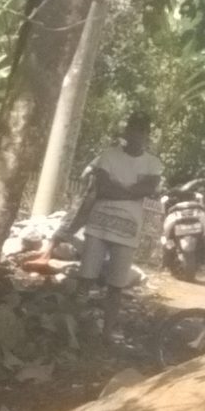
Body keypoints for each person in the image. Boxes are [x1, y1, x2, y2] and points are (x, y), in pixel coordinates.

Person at [71, 111, 162, 289]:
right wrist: (133, 191)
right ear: (127, 131)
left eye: (142, 131)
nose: (137, 135)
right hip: (98, 227)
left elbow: (148, 188)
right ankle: (78, 315)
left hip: (127, 232)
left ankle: (108, 318)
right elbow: (102, 187)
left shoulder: (153, 164)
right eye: (134, 129)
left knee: (115, 287)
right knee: (85, 280)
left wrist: (116, 187)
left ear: (147, 135)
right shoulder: (108, 155)